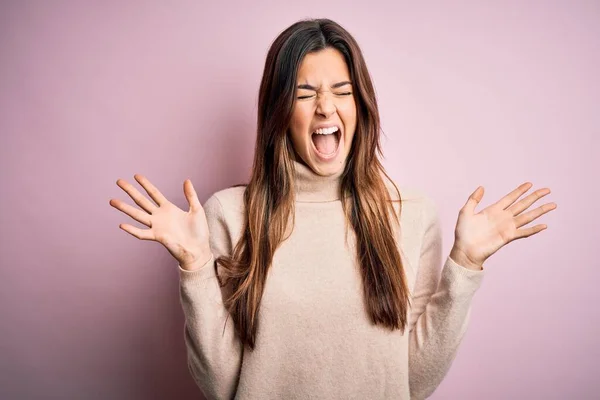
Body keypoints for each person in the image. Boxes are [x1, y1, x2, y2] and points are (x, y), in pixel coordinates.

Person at [109, 18, 556, 400]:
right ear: (280, 110)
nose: (326, 107)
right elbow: (221, 386)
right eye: (305, 94)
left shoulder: (411, 214)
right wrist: (195, 266)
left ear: (359, 105)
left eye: (341, 91)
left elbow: (412, 383)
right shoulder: (229, 215)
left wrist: (465, 266)